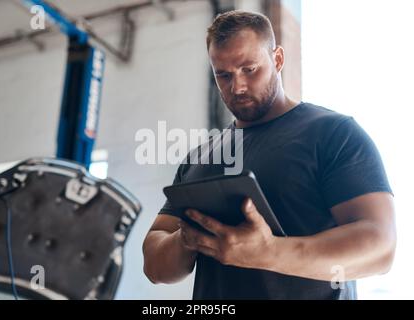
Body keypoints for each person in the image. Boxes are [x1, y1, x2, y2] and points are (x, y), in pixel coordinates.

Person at [142, 10, 396, 299]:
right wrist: (186, 239)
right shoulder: (201, 158)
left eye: (249, 69)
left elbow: (380, 249)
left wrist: (269, 253)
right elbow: (154, 266)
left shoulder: (334, 134)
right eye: (223, 75)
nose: (236, 87)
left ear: (277, 59)